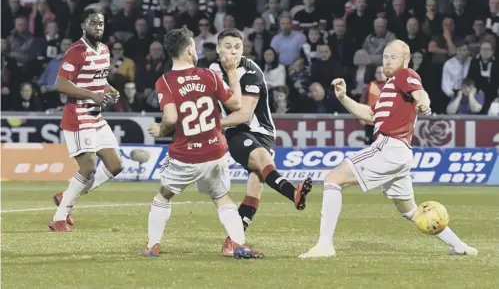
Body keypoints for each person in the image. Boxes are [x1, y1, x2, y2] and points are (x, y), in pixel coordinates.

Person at [299, 40, 477, 258]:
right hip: (400, 154)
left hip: (389, 147)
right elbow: (369, 115)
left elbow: (420, 93)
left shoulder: (405, 75)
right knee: (411, 211)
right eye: (385, 56)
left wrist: (424, 102)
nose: (388, 60)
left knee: (333, 179)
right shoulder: (390, 87)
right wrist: (344, 98)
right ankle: (459, 246)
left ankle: (325, 245)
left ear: (406, 59)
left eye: (394, 56)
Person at [140, 27, 263, 259]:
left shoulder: (165, 81)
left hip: (185, 155)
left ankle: (153, 246)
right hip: (215, 151)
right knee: (221, 197)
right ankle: (238, 244)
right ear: (188, 49)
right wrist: (233, 73)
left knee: (163, 196)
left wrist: (160, 129)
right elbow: (236, 104)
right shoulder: (209, 75)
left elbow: (171, 118)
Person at [209, 28, 313, 256]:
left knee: (255, 186)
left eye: (237, 47)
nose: (233, 51)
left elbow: (244, 114)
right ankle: (293, 193)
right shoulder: (213, 70)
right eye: (227, 46)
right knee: (261, 160)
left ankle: (232, 241)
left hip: (262, 132)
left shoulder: (251, 71)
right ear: (218, 48)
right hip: (236, 133)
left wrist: (210, 124)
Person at [50, 8, 122, 232]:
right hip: (77, 116)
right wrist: (92, 95)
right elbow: (61, 84)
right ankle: (59, 218)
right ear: (83, 25)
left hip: (95, 116)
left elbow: (98, 79)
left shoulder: (104, 50)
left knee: (115, 165)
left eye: (100, 23)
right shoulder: (76, 51)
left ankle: (68, 195)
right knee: (88, 166)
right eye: (93, 23)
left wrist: (110, 89)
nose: (97, 27)